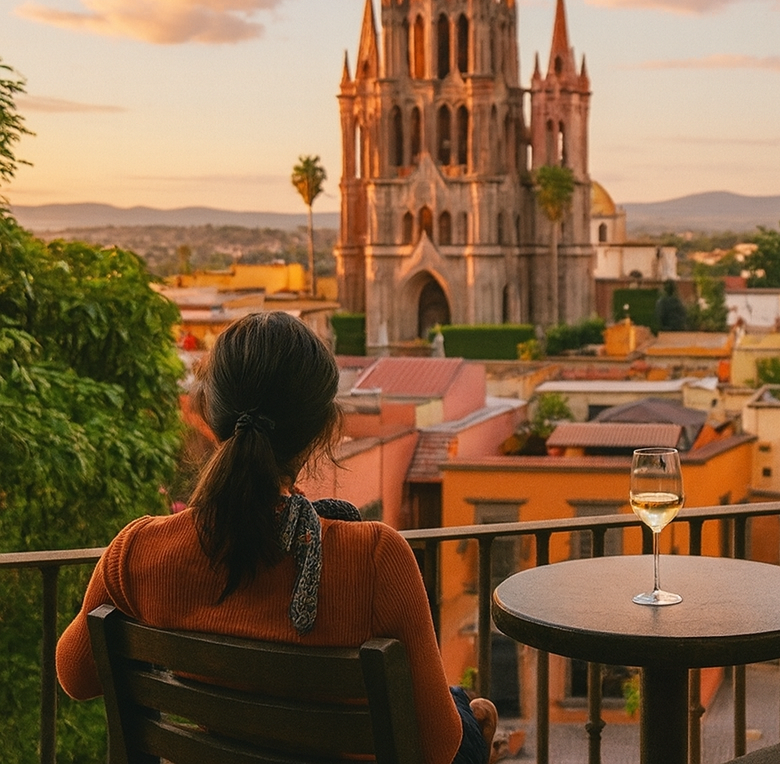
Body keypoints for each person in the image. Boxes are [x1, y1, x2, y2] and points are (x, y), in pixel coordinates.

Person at [57, 311, 497, 764]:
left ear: (211, 413)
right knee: (469, 713)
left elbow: (75, 677)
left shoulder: (139, 551)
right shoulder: (376, 559)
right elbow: (437, 747)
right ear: (322, 431)